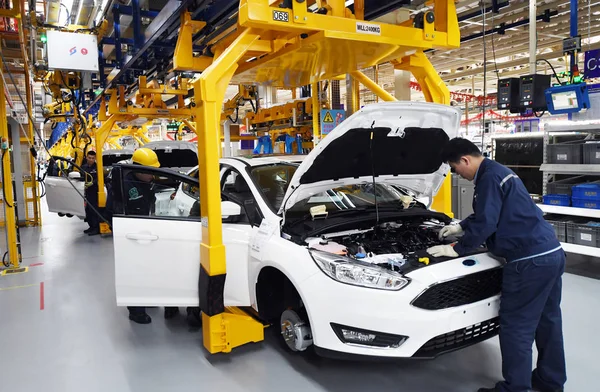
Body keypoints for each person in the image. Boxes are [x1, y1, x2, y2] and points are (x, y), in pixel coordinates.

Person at [427, 138, 566, 392]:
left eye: (455, 169)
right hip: (551, 252)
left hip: (528, 261)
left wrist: (456, 248)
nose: (458, 174)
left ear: (465, 160)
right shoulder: (499, 171)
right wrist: (462, 225)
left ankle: (515, 388)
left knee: (516, 327)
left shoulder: (488, 178)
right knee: (548, 322)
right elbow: (488, 214)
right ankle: (550, 381)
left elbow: (487, 222)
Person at [118, 148, 180, 325]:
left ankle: (147, 298)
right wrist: (124, 233)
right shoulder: (124, 184)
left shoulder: (146, 180)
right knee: (134, 273)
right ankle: (136, 312)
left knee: (148, 269)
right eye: (150, 171)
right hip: (130, 236)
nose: (153, 175)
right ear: (138, 169)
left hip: (147, 233)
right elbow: (111, 210)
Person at [80, 150, 100, 236]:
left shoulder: (97, 167)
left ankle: (96, 228)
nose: (91, 159)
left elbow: (99, 179)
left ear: (95, 158)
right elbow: (80, 177)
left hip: (94, 191)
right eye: (89, 158)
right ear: (86, 157)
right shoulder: (83, 167)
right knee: (87, 210)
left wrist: (92, 183)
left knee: (93, 210)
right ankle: (91, 226)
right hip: (85, 191)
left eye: (93, 158)